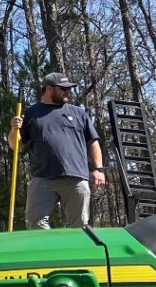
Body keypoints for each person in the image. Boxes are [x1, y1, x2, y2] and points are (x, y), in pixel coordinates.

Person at [9, 71, 105, 229]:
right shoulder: (31, 113)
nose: (68, 92)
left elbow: (93, 142)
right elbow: (15, 145)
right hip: (43, 177)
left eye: (68, 89)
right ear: (49, 89)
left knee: (80, 225)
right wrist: (14, 129)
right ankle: (49, 253)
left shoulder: (78, 113)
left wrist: (98, 169)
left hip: (75, 176)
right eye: (63, 89)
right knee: (36, 222)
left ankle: (77, 253)